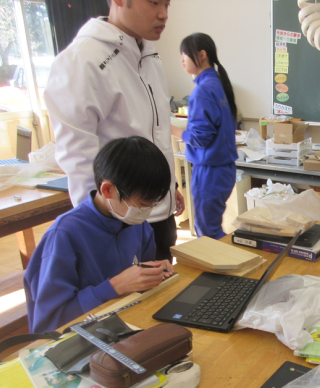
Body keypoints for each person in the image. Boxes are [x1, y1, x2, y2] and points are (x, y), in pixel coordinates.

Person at [44, 0, 184, 262]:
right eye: (154, 2)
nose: (163, 14)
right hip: (120, 224)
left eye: (167, 4)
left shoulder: (148, 54)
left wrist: (169, 186)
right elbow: (80, 161)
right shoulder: (82, 60)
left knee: (165, 285)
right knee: (129, 289)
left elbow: (155, 131)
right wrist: (99, 233)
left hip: (157, 213)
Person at [24, 137, 175, 334]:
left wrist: (154, 273)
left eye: (153, 204)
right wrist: (115, 286)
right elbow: (50, 323)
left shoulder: (137, 224)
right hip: (81, 338)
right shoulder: (63, 235)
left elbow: (142, 279)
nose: (147, 212)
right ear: (108, 189)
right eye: (143, 204)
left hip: (125, 324)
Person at [170, 33, 238, 239]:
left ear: (201, 55)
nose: (181, 60)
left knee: (207, 233)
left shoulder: (203, 91)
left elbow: (200, 138)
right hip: (223, 169)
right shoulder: (218, 84)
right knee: (210, 229)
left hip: (210, 171)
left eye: (184, 54)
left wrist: (171, 129)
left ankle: (226, 260)